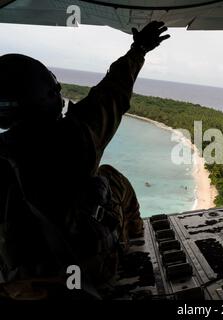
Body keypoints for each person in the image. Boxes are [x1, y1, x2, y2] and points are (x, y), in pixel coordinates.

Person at [0, 21, 170, 298]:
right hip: (84, 274)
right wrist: (139, 48)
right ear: (49, 95)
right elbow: (113, 92)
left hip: (19, 286)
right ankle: (137, 235)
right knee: (109, 176)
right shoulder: (77, 136)